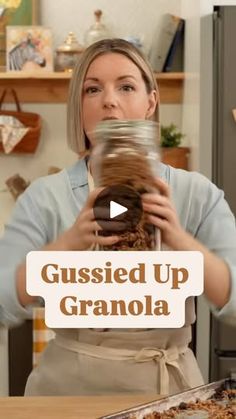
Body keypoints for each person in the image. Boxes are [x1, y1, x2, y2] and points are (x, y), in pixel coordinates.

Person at [0, 38, 236, 397]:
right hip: (67, 395)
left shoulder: (196, 195)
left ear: (150, 102)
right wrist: (66, 246)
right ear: (78, 107)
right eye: (92, 89)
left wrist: (181, 241)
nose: (109, 100)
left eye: (126, 86)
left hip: (167, 393)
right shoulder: (46, 198)